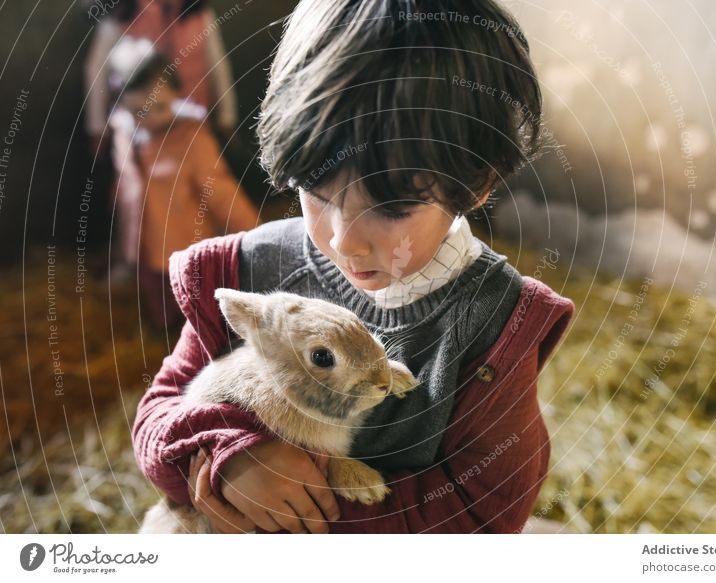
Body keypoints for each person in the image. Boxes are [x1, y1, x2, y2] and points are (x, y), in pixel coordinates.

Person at [132, 0, 575, 533]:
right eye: (315, 192)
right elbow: (158, 416)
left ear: (475, 184)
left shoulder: (490, 320)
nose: (345, 242)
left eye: (390, 209)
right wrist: (231, 455)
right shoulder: (252, 272)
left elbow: (487, 503)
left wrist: (297, 519)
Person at [108, 39, 259, 330]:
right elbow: (122, 186)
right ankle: (162, 333)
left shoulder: (190, 136)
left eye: (159, 107)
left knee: (196, 312)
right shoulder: (124, 133)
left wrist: (253, 232)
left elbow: (219, 190)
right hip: (144, 246)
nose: (149, 118)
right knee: (160, 310)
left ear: (176, 92)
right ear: (122, 102)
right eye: (139, 111)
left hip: (186, 246)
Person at [84, 0, 238, 158]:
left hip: (193, 123)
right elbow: (96, 72)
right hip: (136, 128)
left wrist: (226, 118)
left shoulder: (200, 16)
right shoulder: (120, 15)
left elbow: (218, 68)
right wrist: (97, 128)